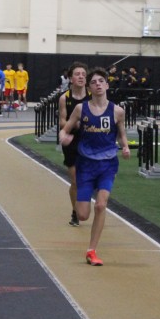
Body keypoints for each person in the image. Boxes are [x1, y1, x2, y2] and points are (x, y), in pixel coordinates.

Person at [58, 67, 131, 265]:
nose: (98, 84)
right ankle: (81, 207)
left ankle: (92, 250)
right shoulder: (81, 109)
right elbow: (65, 129)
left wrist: (125, 147)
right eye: (93, 82)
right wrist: (64, 136)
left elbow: (122, 134)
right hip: (86, 165)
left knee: (101, 205)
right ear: (89, 88)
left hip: (108, 164)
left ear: (107, 85)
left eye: (101, 81)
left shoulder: (117, 111)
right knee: (82, 215)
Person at [59, 62, 90, 227]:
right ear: (71, 78)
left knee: (89, 180)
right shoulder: (64, 98)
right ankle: (75, 211)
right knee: (76, 181)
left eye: (83, 74)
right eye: (77, 74)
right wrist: (74, 124)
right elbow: (62, 121)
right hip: (71, 140)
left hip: (90, 141)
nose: (81, 77)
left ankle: (87, 205)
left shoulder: (92, 96)